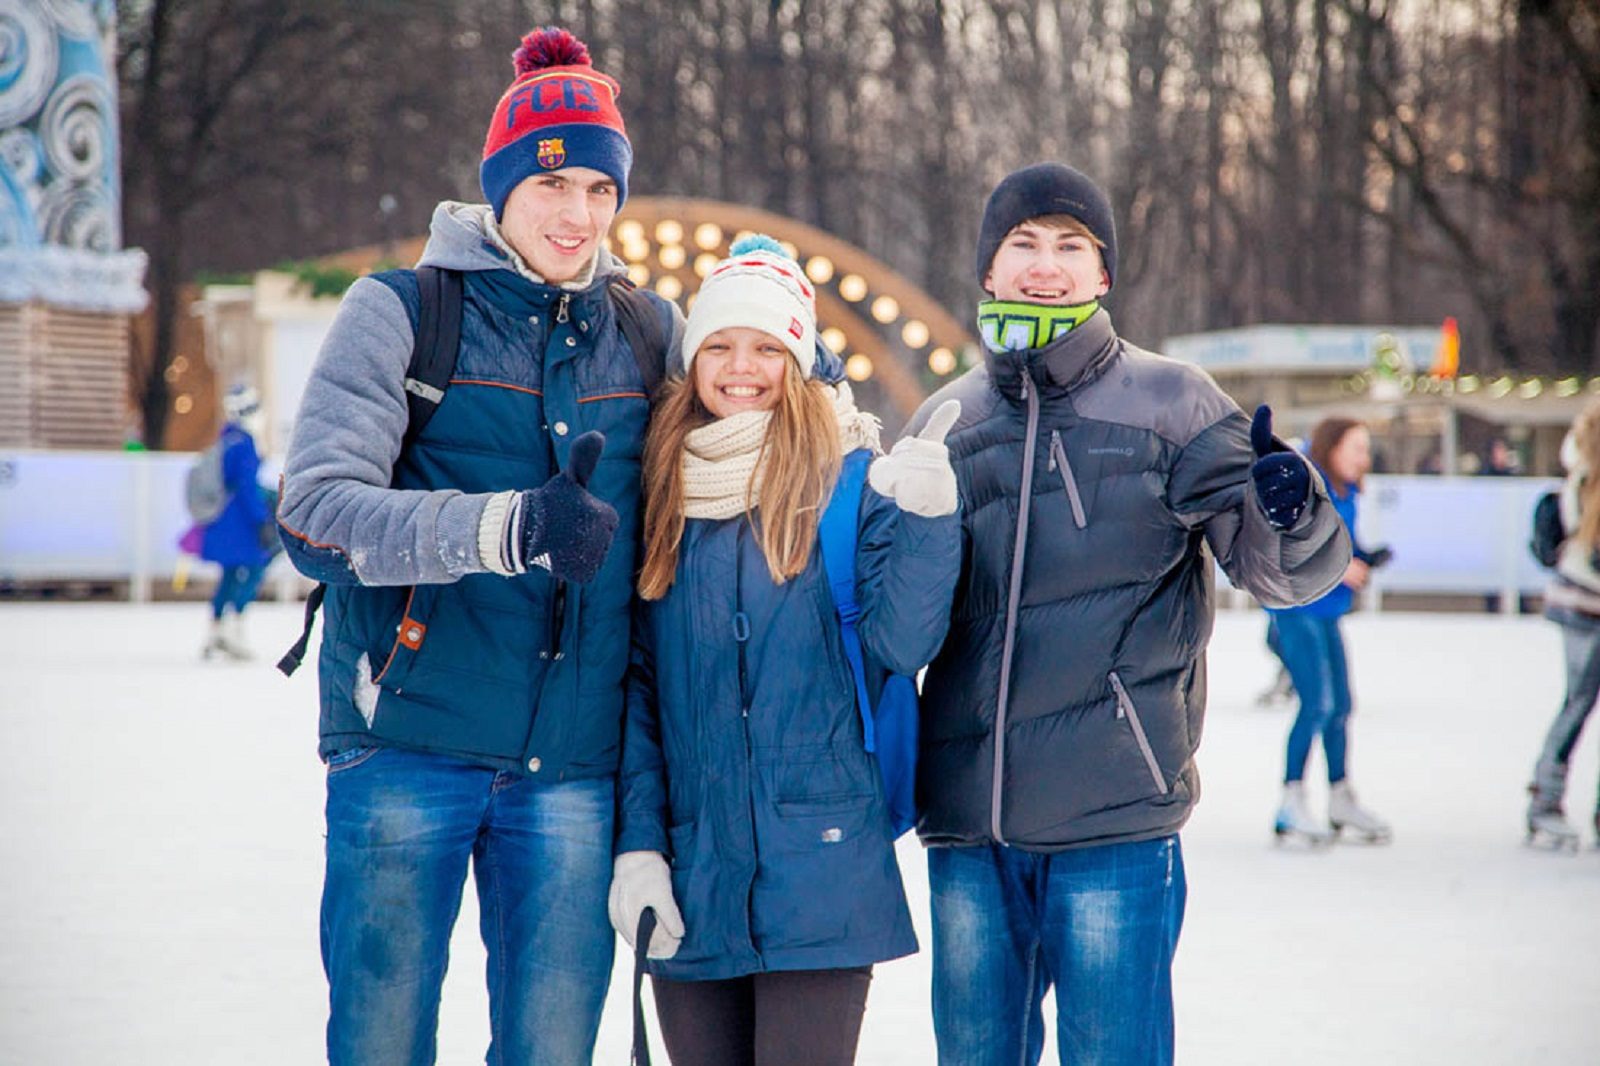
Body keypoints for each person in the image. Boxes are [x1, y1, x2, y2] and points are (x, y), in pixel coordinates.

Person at [273, 28, 682, 1064]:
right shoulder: (404, 312)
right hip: (407, 744)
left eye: (600, 189)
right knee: (381, 1042)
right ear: (500, 186)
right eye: (552, 185)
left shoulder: (647, 331)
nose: (576, 213)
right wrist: (508, 527)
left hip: (574, 771)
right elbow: (316, 516)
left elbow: (742, 443)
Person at [901, 162, 1351, 1066]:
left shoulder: (1175, 403)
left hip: (1114, 823)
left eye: (1072, 246)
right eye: (1022, 244)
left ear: (1103, 275)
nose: (1045, 264)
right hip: (969, 833)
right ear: (987, 269)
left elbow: (1281, 577)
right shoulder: (945, 419)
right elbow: (900, 612)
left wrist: (1290, 509)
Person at [606, 236, 962, 1066]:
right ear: (692, 360)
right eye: (720, 345)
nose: (742, 367)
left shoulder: (851, 479)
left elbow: (902, 643)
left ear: (798, 359)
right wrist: (639, 847)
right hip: (691, 871)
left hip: (825, 867)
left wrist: (927, 525)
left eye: (767, 347)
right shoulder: (660, 489)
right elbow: (639, 688)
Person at [1268, 416, 1395, 846]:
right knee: (1316, 704)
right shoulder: (1306, 486)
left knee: (1340, 704)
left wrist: (1364, 556)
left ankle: (1340, 794)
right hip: (1295, 606)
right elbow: (1287, 544)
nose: (1365, 458)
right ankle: (1290, 800)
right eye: (1356, 448)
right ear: (1331, 448)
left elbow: (1343, 540)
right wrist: (1341, 566)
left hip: (1325, 610)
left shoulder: (1346, 491)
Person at [1525, 398, 1600, 850]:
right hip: (1581, 608)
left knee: (1577, 702)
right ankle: (1545, 798)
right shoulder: (1581, 486)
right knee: (1577, 702)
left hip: (1578, 603)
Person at [193, 382, 276, 661]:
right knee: (253, 570)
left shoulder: (226, 439)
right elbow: (247, 486)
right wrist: (262, 519)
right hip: (240, 522)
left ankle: (215, 631)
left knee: (229, 574)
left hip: (222, 520)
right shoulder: (246, 444)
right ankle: (234, 630)